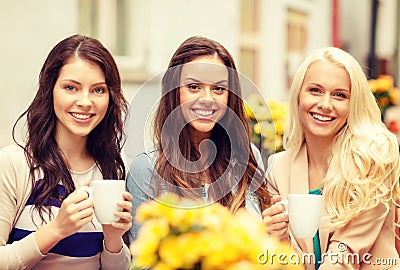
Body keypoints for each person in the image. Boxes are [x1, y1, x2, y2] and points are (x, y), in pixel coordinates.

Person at [0, 34, 132, 269]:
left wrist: (113, 239)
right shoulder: (13, 164)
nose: (85, 101)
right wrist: (56, 230)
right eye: (71, 87)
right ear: (50, 89)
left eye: (98, 90)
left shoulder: (113, 169)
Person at [262, 46, 400, 269]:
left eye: (339, 95)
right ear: (298, 95)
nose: (325, 104)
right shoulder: (278, 168)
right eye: (315, 90)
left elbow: (346, 253)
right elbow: (289, 261)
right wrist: (278, 239)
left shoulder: (373, 158)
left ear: (353, 103)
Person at [126, 36, 271, 243]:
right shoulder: (147, 169)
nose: (207, 99)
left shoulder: (247, 158)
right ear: (173, 92)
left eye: (218, 89)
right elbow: (144, 262)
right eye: (194, 87)